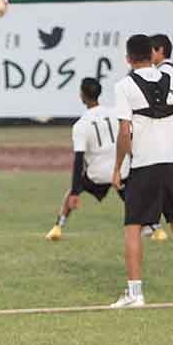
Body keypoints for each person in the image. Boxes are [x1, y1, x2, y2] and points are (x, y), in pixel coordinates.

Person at [110, 34, 173, 308]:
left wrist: (118, 166)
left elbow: (125, 132)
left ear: (128, 59)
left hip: (144, 165)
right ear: (152, 54)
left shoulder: (124, 86)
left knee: (133, 227)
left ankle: (135, 294)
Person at [44, 78, 130, 240]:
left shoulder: (81, 124)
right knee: (132, 196)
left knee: (70, 193)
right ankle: (155, 227)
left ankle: (58, 227)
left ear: (82, 95)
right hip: (121, 169)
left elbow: (79, 160)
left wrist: (76, 191)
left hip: (97, 174)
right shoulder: (114, 114)